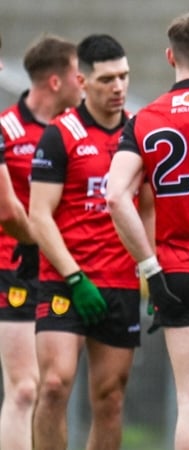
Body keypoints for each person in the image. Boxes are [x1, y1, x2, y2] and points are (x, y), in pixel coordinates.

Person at [106, 13, 189, 450]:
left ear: (170, 57)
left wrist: (149, 267)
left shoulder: (145, 117)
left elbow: (114, 196)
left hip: (176, 273)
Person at [27, 33, 139, 450]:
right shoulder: (60, 135)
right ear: (82, 81)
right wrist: (75, 278)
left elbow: (146, 209)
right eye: (107, 79)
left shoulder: (137, 132)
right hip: (66, 280)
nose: (119, 88)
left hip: (120, 282)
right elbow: (39, 215)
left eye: (124, 77)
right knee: (54, 385)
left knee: (110, 400)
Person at [0, 33, 81, 450]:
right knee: (25, 389)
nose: (82, 83)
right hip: (14, 269)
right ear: (56, 81)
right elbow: (8, 210)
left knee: (54, 388)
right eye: (76, 75)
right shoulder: (6, 129)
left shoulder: (75, 133)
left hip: (65, 273)